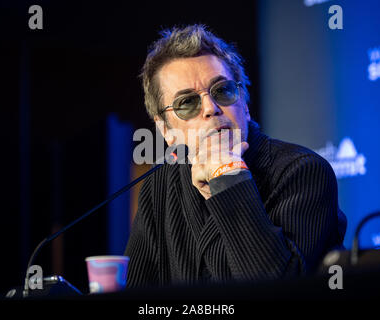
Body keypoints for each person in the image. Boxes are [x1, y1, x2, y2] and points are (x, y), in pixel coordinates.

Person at [124, 24, 346, 288]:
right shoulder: (159, 185)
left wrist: (228, 178)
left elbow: (279, 289)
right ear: (166, 130)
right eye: (187, 102)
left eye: (223, 91)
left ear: (245, 104)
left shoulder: (302, 171)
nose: (210, 108)